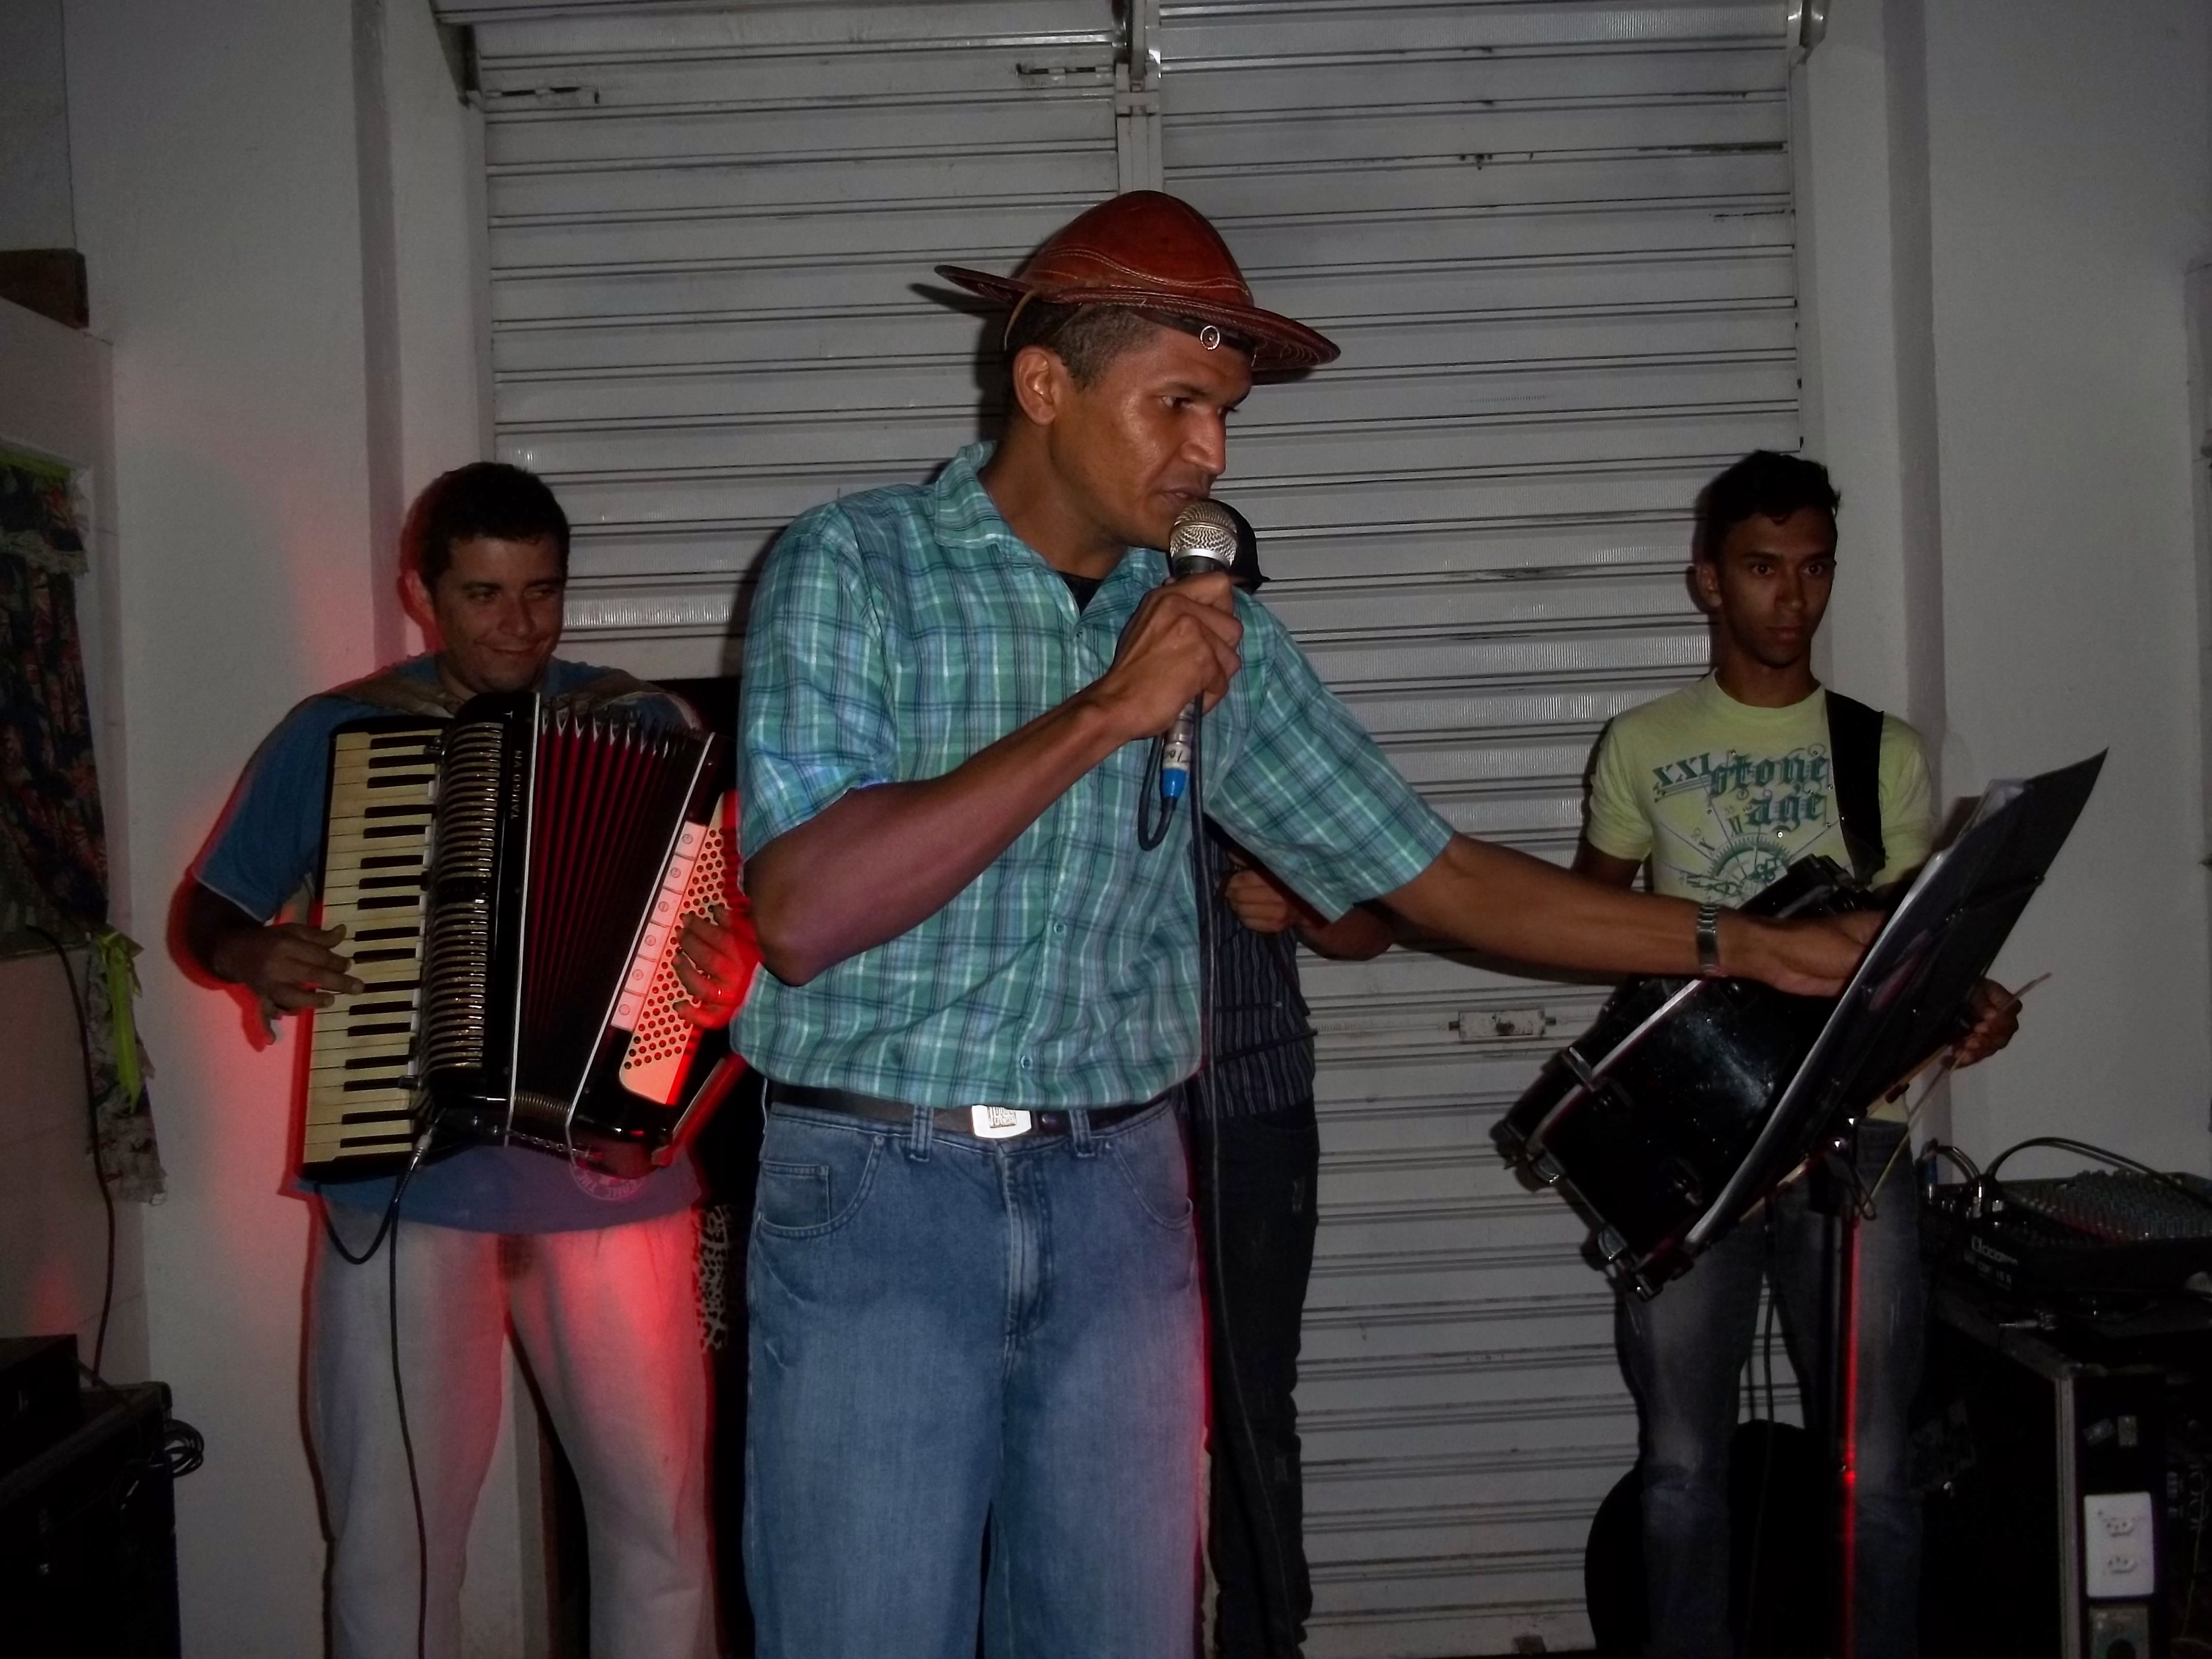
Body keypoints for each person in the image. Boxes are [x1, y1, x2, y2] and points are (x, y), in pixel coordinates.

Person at [730, 191, 1874, 1659]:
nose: (1212, 453)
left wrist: (1749, 946)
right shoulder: (855, 564)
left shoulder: (1218, 637)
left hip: (1121, 1193)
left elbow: (1435, 876)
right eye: (1178, 404)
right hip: (882, 1187)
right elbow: (805, 912)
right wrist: (1106, 712)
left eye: (1226, 416)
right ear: (1044, 385)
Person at [181, 462, 759, 1659]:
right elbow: (209, 913)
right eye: (484, 594)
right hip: (401, 1176)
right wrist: (254, 953)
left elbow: (727, 920)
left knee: (658, 1531)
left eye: (541, 592)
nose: (518, 626)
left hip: (610, 1181)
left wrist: (724, 959)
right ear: (422, 592)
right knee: (391, 1543)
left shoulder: (646, 726)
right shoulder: (339, 732)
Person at [1572, 450, 2019, 1659]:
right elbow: (1589, 922)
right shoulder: (1640, 742)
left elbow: (1912, 952)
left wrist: (1968, 1005)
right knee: (1679, 1466)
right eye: (1762, 568)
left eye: (1813, 569)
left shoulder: (1884, 751)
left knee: (1873, 1468)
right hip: (1692, 1144)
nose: (1792, 597)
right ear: (1706, 582)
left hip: (1851, 1142)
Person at [1186, 506, 1395, 1659]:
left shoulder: (1279, 740)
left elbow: (1376, 923)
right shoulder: (1091, 721)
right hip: (1109, 1123)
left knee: (1252, 1401)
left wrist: (1304, 907)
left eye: (1234, 604)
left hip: (1255, 1110)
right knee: (1115, 1412)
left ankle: (1268, 1640)